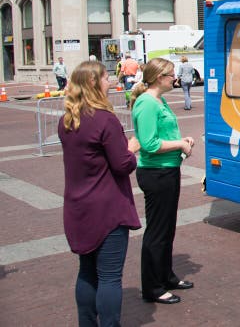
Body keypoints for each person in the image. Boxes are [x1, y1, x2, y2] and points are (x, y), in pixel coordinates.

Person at [58, 61, 141, 326]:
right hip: (107, 210)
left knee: (86, 271)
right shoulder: (104, 119)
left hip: (77, 208)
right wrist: (131, 149)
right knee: (109, 277)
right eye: (106, 78)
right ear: (94, 83)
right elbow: (122, 164)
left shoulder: (67, 120)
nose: (110, 82)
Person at [130, 58, 195, 305]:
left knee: (167, 227)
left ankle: (166, 275)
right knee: (157, 230)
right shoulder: (147, 103)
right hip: (156, 173)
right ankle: (153, 287)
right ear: (159, 78)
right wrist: (179, 144)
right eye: (170, 75)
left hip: (167, 169)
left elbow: (163, 135)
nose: (174, 79)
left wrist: (182, 140)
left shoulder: (159, 100)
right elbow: (149, 144)